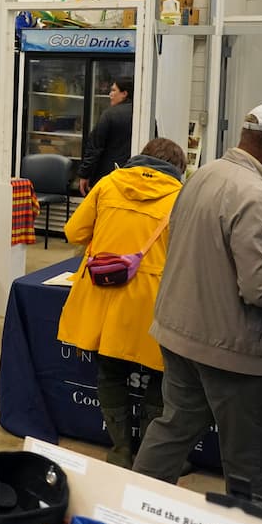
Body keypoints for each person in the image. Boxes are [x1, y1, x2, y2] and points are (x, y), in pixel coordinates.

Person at [132, 103, 262, 512]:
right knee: (249, 462)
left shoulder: (205, 174)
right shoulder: (259, 199)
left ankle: (132, 511)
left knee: (173, 429)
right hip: (237, 351)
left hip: (181, 331)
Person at [57, 138, 186, 468]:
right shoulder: (183, 197)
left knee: (111, 371)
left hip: (105, 295)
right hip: (156, 301)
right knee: (160, 376)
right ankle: (149, 454)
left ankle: (119, 450)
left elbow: (73, 232)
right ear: (179, 168)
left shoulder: (108, 183)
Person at [78, 77, 134, 195]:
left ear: (124, 93)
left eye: (114, 91)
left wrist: (84, 174)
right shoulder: (145, 115)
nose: (110, 94)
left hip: (107, 176)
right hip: (133, 178)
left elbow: (95, 148)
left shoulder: (109, 115)